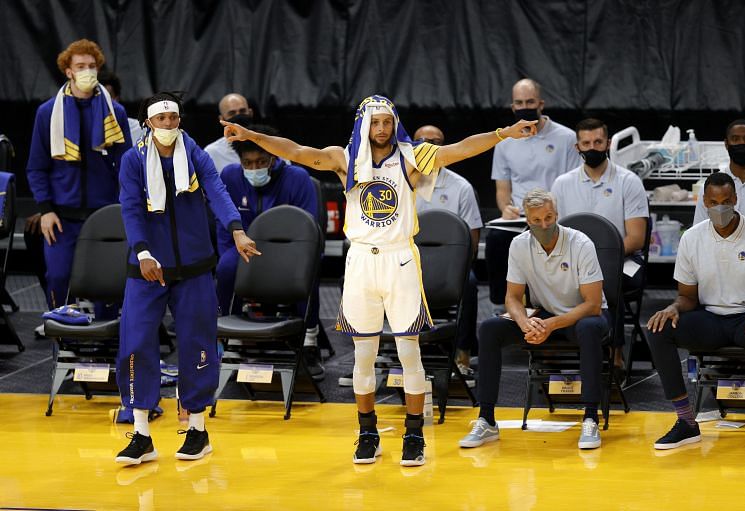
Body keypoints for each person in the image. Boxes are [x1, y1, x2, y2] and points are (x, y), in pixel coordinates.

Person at [221, 94, 537, 466]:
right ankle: (367, 431)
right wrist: (250, 135)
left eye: (388, 121)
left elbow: (462, 149)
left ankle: (414, 433)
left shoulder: (411, 156)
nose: (383, 129)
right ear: (364, 124)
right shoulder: (345, 158)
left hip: (399, 260)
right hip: (360, 263)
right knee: (364, 356)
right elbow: (296, 151)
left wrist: (504, 133)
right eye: (376, 122)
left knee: (408, 352)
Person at [114, 92, 260, 465]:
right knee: (135, 343)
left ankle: (197, 429)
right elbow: (130, 209)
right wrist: (143, 251)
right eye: (160, 120)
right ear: (148, 123)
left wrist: (237, 229)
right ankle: (142, 434)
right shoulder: (133, 160)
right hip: (147, 268)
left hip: (194, 267)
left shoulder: (195, 155)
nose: (167, 125)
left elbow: (217, 191)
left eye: (173, 119)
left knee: (198, 345)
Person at [646, 172, 745, 451]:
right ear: (704, 202)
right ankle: (686, 421)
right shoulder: (692, 238)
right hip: (710, 319)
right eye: (714, 202)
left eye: (726, 201)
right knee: (658, 328)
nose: (720, 208)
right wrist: (673, 308)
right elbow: (687, 296)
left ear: (736, 199)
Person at [459, 189, 610, 450]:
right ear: (527, 221)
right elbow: (513, 298)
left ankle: (590, 417)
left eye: (549, 218)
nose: (544, 225)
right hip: (543, 315)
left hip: (582, 316)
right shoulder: (519, 245)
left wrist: (551, 325)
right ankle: (486, 418)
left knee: (588, 329)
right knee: (489, 329)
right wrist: (525, 323)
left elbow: (593, 304)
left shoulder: (581, 243)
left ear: (557, 215)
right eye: (537, 220)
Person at [26, 39, 132, 312]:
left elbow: (126, 165)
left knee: (107, 285)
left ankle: (106, 342)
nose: (88, 71)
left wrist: (127, 206)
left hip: (104, 212)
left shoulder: (115, 112)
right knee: (58, 277)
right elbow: (36, 167)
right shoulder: (48, 112)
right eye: (80, 66)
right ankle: (61, 337)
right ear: (68, 71)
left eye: (92, 66)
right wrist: (45, 209)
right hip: (62, 216)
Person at [215, 123, 325, 379]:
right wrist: (229, 253)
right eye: (248, 163)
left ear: (274, 157)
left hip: (291, 254)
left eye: (261, 161)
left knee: (308, 273)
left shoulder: (297, 178)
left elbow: (309, 231)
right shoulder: (230, 176)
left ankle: (310, 341)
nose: (255, 168)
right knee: (226, 267)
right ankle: (232, 338)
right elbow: (223, 226)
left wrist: (292, 262)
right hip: (247, 251)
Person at [551, 118, 648, 366]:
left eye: (598, 141)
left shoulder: (629, 181)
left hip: (624, 260)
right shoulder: (562, 184)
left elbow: (636, 239)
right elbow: (554, 233)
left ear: (608, 143)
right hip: (573, 262)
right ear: (577, 147)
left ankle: (615, 353)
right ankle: (554, 353)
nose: (592, 147)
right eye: (586, 143)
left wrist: (597, 259)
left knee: (606, 279)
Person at [485, 78, 581, 313]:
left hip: (553, 216)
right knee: (496, 239)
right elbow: (502, 191)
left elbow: (573, 184)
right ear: (513, 107)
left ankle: (545, 305)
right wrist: (506, 208)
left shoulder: (566, 138)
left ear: (541, 104)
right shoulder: (504, 142)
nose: (525, 106)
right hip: (520, 217)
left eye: (530, 101)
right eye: (519, 102)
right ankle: (506, 304)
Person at [413, 124, 483, 374]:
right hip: (408, 264)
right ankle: (373, 356)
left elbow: (472, 242)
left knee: (469, 281)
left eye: (436, 141)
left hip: (449, 269)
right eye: (422, 140)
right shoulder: (399, 183)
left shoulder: (461, 187)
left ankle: (462, 354)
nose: (429, 145)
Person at [205, 93, 254, 172]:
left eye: (242, 111)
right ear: (222, 119)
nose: (238, 116)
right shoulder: (212, 153)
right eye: (232, 113)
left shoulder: (267, 143)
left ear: (250, 113)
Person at [98, 69, 145, 143]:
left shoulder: (140, 130)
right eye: (99, 98)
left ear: (117, 98)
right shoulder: (85, 130)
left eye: (108, 98)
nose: (104, 104)